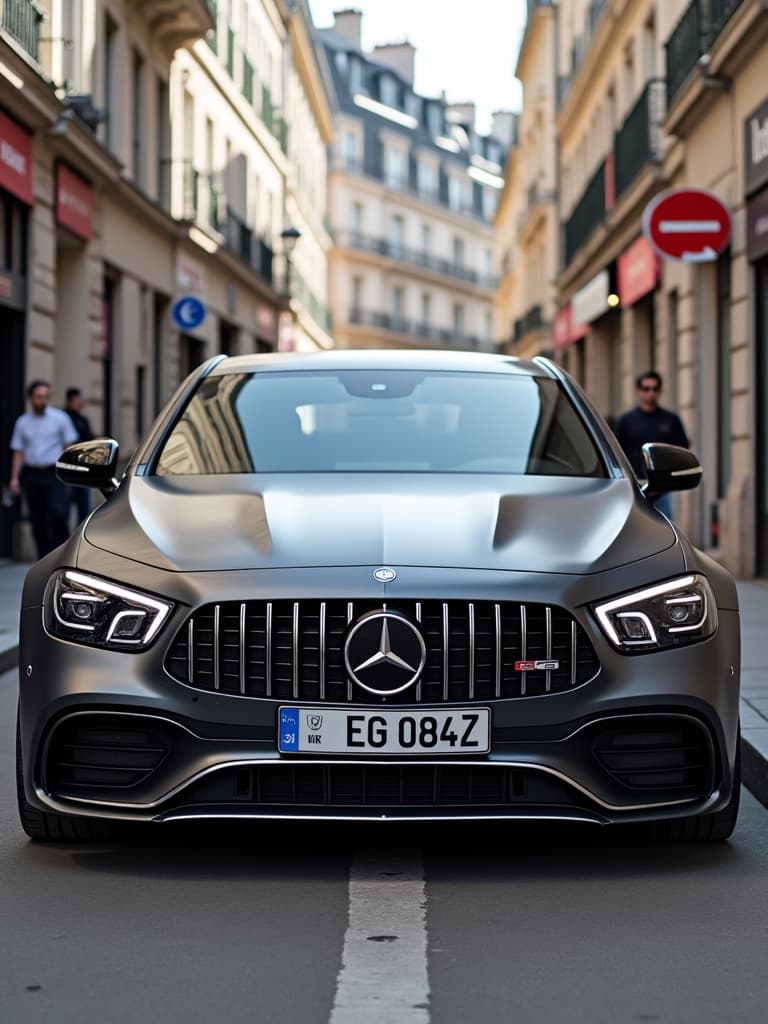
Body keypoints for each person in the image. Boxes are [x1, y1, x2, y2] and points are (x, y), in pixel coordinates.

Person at [9, 380, 78, 559]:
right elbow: (18, 451)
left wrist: (69, 472)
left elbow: (68, 446)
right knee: (37, 519)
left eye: (46, 397)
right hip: (31, 475)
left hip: (54, 474)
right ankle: (44, 558)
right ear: (30, 398)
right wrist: (14, 478)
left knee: (59, 513)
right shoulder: (22, 422)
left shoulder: (60, 418)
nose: (43, 401)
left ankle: (61, 554)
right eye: (39, 397)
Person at [613, 371, 689, 518]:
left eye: (655, 389)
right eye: (646, 388)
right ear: (638, 391)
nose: (651, 393)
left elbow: (682, 450)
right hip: (633, 485)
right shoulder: (626, 420)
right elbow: (615, 451)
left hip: (663, 487)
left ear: (660, 391)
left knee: (665, 525)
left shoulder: (671, 420)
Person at [64, 387, 94, 523]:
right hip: (69, 468)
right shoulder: (64, 419)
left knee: (84, 507)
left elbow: (88, 439)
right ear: (70, 401)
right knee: (64, 507)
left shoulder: (83, 419)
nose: (80, 403)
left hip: (83, 468)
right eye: (77, 400)